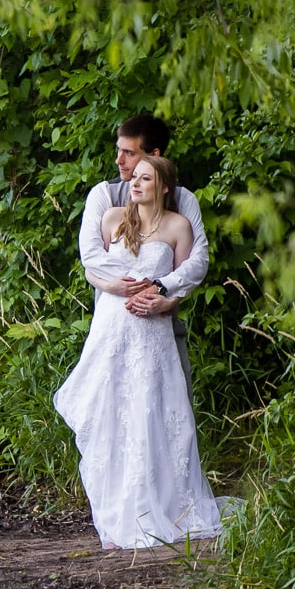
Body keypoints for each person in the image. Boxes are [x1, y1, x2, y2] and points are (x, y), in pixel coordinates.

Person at [54, 153, 224, 548]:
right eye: (136, 178)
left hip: (152, 335)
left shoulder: (179, 226)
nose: (135, 183)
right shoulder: (114, 219)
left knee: (152, 418)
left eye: (145, 178)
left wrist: (163, 296)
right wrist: (117, 285)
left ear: (164, 187)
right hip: (112, 330)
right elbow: (91, 268)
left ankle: (158, 508)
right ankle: (111, 520)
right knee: (107, 418)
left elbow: (186, 278)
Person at [76, 115, 207, 404]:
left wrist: (163, 292)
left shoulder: (183, 200)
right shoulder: (105, 196)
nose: (119, 161)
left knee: (170, 406)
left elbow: (197, 260)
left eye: (130, 153)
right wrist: (127, 285)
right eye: (118, 150)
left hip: (162, 323)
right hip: (112, 327)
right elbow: (91, 257)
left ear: (154, 154)